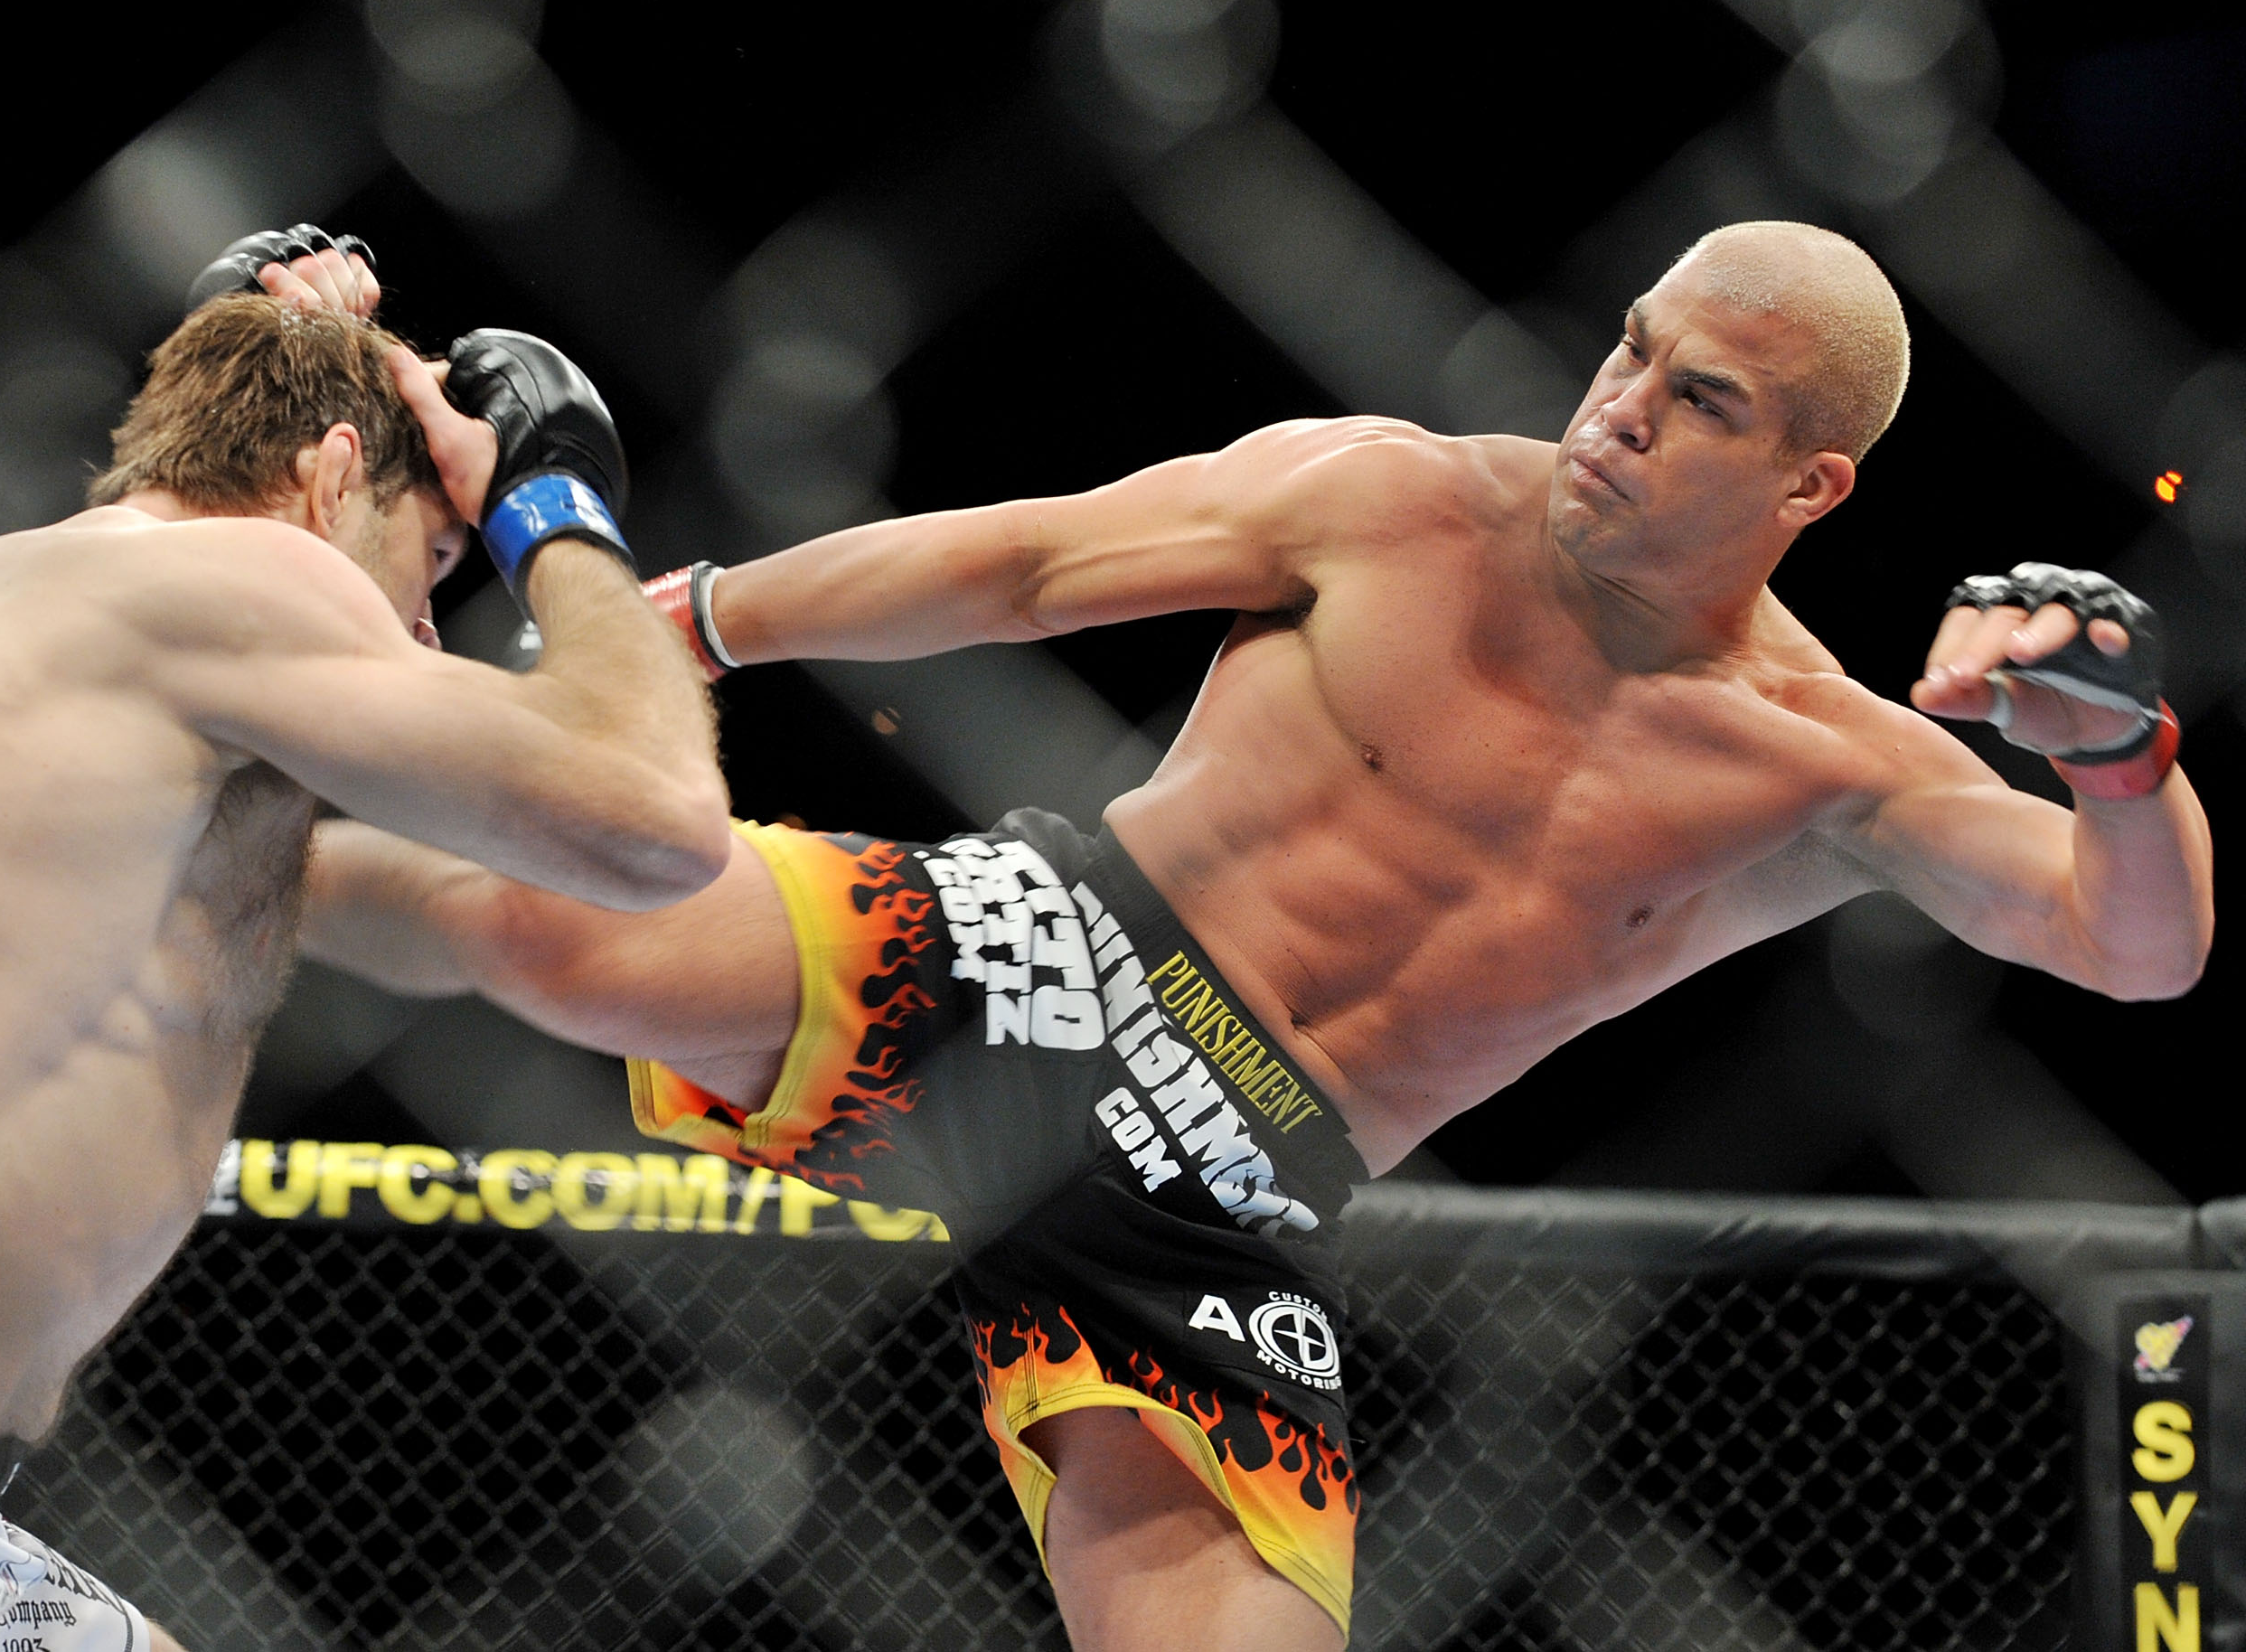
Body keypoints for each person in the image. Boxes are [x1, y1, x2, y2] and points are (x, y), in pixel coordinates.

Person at [296, 221, 2213, 1651]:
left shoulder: (1824, 761)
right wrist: (685, 617)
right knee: (555, 931)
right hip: (1056, 965)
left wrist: (2124, 769)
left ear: (1809, 483)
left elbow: (2132, 951)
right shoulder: (1396, 498)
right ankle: (231, 780)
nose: (1620, 408)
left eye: (1700, 397)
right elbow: (1025, 563)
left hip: (1238, 1204)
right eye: (1634, 349)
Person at [0, 230, 727, 1652]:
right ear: (335, 472)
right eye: (441, 556)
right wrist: (554, 508)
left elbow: (412, 898)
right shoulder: (227, 590)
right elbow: (658, 820)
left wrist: (252, 351)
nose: (422, 621)